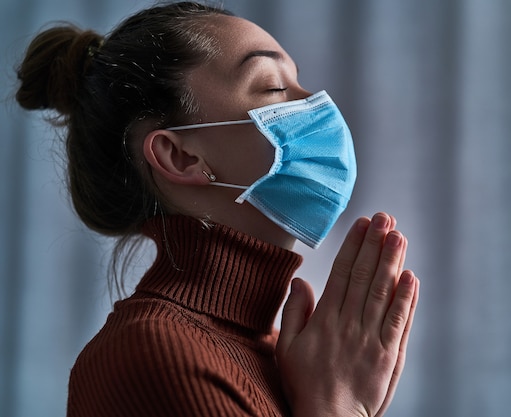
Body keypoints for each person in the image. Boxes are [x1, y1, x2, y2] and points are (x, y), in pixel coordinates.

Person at [15, 2, 420, 416]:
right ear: (180, 157)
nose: (317, 105)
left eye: (298, 83)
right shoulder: (153, 358)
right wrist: (336, 406)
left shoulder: (285, 358)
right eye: (274, 88)